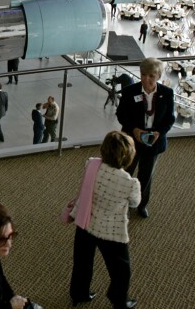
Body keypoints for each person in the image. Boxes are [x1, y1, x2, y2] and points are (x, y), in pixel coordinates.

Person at [65, 131, 140, 309]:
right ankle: (118, 300)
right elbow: (135, 203)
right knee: (121, 270)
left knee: (82, 262)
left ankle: (79, 293)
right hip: (111, 231)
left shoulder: (91, 164)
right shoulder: (130, 183)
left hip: (85, 222)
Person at [116, 57, 175, 218]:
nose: (145, 79)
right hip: (132, 140)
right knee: (126, 173)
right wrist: (134, 129)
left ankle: (141, 205)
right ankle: (121, 203)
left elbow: (170, 119)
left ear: (158, 76)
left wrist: (159, 133)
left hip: (153, 142)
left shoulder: (167, 93)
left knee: (146, 176)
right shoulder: (130, 91)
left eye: (151, 76)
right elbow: (121, 114)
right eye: (143, 74)